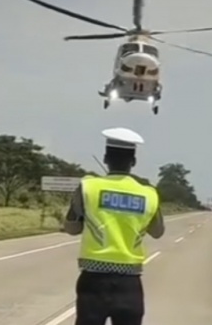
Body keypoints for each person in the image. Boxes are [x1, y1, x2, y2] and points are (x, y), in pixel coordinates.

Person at [64, 127, 165, 325]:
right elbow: (158, 232)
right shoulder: (149, 194)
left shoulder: (88, 187)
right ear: (133, 162)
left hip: (93, 280)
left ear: (105, 159)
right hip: (129, 283)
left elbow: (71, 228)